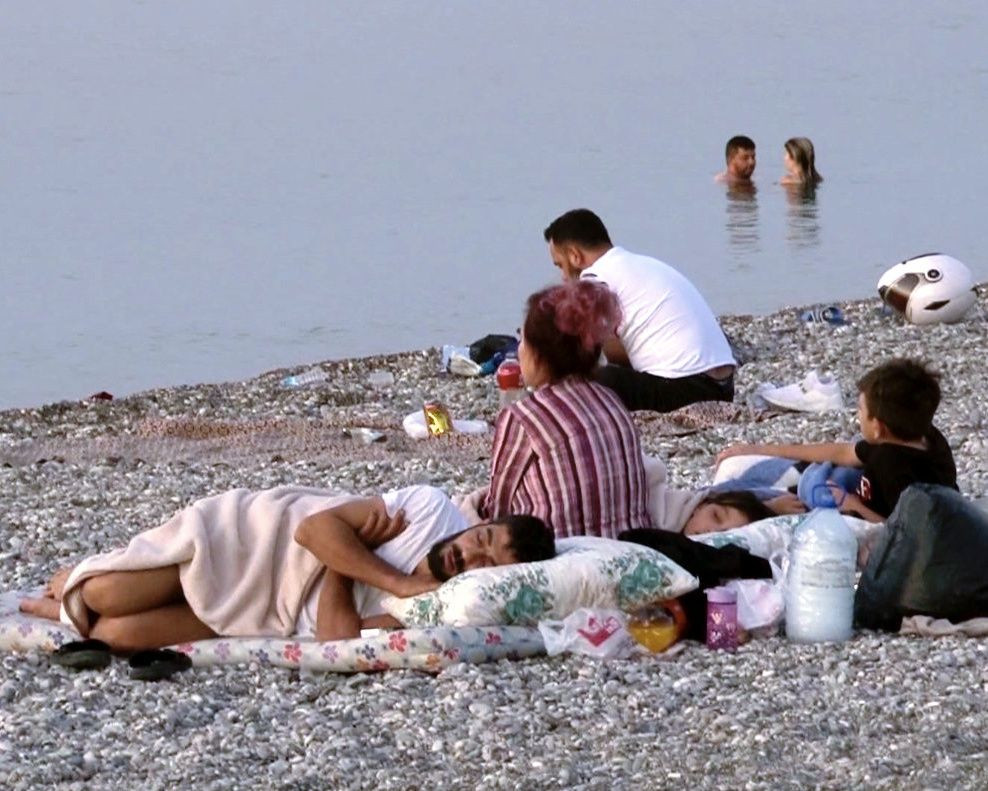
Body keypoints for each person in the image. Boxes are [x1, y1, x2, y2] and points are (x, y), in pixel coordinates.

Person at [20, 485, 555, 651]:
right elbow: (312, 530)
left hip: (266, 608)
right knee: (105, 597)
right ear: (475, 524)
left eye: (486, 563)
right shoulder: (427, 508)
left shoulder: (439, 607)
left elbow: (333, 638)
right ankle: (72, 584)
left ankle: (64, 598)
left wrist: (344, 567)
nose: (470, 553)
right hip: (250, 538)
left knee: (116, 635)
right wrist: (391, 578)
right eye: (481, 538)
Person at [477, 280, 653, 539]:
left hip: (565, 557)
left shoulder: (524, 417)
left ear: (539, 354)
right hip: (632, 550)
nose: (519, 350)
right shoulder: (611, 401)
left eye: (521, 339)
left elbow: (498, 511)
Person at [543, 208, 737, 412]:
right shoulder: (643, 264)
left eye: (560, 265)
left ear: (574, 256)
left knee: (589, 380)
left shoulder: (595, 277)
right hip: (723, 387)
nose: (564, 277)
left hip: (684, 389)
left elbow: (594, 351)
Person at [715, 358, 957, 522]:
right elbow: (842, 452)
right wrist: (759, 450)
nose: (857, 416)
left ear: (879, 428)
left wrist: (853, 505)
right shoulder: (928, 437)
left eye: (861, 411)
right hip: (871, 496)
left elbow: (904, 530)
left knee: (770, 498)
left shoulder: (892, 466)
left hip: (871, 520)